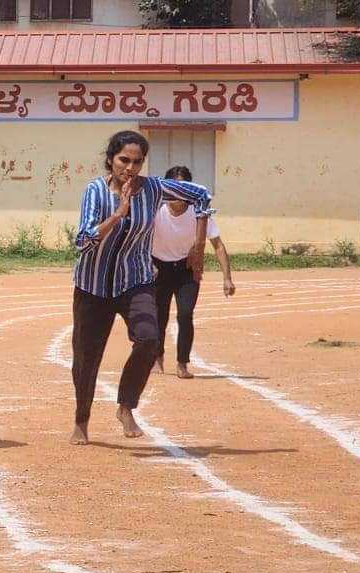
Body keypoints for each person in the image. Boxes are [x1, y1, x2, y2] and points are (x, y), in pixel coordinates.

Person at [69, 130, 213, 444]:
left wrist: (198, 246)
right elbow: (84, 240)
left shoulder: (154, 188)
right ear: (111, 159)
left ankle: (126, 406)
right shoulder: (95, 191)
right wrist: (119, 213)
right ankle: (82, 420)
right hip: (93, 287)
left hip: (135, 281)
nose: (130, 168)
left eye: (137, 162)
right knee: (86, 359)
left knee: (150, 340)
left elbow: (201, 194)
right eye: (124, 160)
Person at [152, 164, 236, 379]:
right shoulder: (155, 211)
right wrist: (146, 263)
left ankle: (182, 363)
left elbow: (218, 245)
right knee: (159, 315)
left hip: (186, 269)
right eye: (174, 188)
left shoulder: (199, 215)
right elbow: (139, 239)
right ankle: (157, 358)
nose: (178, 196)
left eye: (184, 189)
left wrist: (227, 278)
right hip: (158, 268)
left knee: (185, 314)